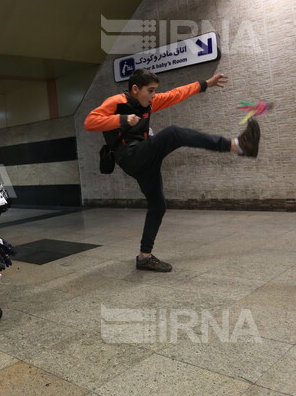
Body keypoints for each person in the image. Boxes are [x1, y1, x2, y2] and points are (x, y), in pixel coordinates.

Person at [84, 68, 260, 272]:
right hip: (129, 155)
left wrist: (206, 83)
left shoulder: (149, 103)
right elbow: (90, 122)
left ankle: (144, 257)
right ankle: (238, 146)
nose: (153, 96)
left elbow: (176, 94)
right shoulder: (116, 102)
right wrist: (121, 120)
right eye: (150, 91)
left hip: (145, 159)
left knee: (158, 206)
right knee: (174, 133)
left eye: (154, 91)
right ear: (135, 89)